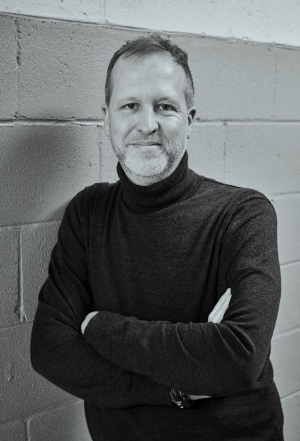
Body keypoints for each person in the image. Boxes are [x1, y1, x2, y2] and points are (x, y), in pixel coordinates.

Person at [30, 35, 284, 440]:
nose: (147, 124)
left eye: (165, 106)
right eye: (130, 105)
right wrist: (174, 388)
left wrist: (98, 327)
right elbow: (49, 349)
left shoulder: (242, 214)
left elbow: (239, 356)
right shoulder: (88, 213)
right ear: (107, 116)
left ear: (190, 118)